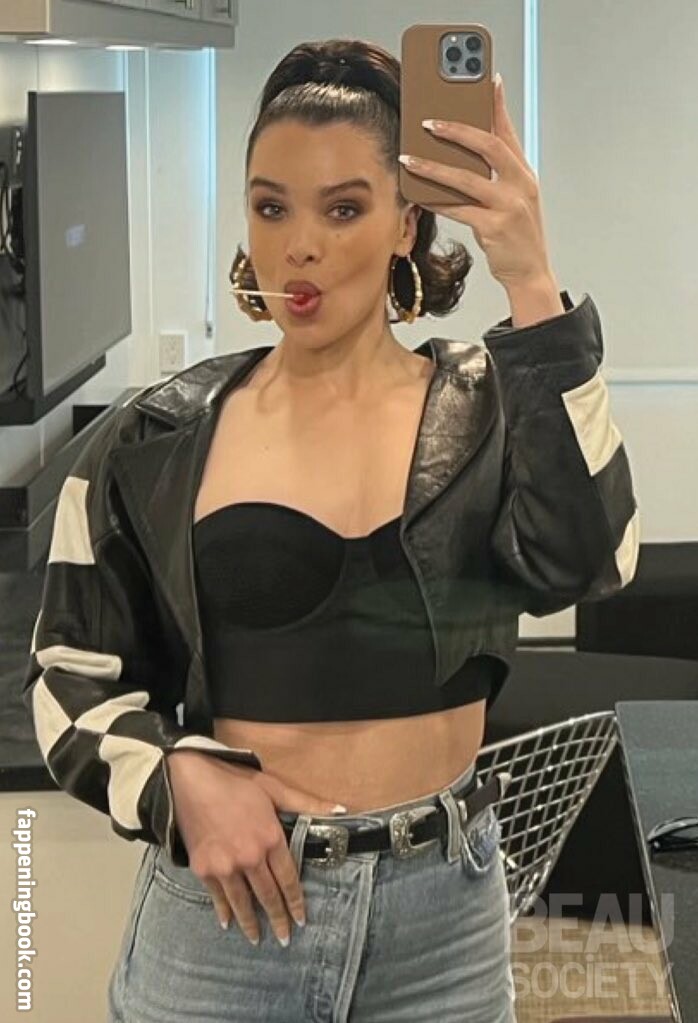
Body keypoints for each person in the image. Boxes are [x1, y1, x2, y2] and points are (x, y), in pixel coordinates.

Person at [23, 37, 640, 1023]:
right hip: (229, 927)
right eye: (271, 207)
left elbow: (594, 558)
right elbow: (67, 677)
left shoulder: (487, 406)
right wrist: (175, 774)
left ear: (405, 224)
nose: (299, 245)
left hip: (443, 927)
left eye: (343, 208)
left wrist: (530, 278)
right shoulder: (153, 438)